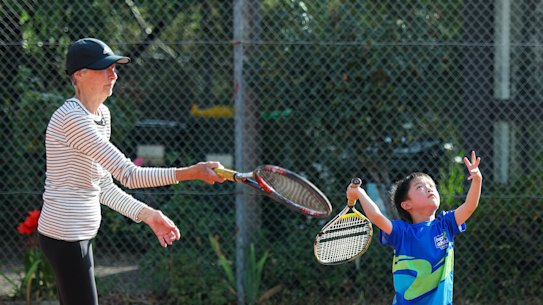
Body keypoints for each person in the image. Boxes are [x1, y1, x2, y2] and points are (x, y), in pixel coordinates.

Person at [37, 37, 225, 305]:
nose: (113, 73)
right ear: (79, 75)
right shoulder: (72, 119)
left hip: (78, 234)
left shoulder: (101, 115)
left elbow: (103, 185)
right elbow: (129, 175)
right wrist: (192, 172)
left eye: (114, 67)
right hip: (65, 235)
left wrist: (149, 215)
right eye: (104, 68)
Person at [346, 151, 482, 305]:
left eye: (431, 185)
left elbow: (470, 206)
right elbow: (376, 217)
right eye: (420, 187)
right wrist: (360, 193)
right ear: (406, 205)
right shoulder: (402, 232)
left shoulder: (446, 224)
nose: (430, 189)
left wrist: (477, 179)